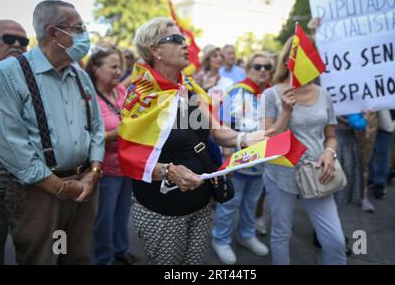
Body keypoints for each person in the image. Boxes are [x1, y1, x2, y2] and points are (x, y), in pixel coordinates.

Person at [124, 17, 269, 265]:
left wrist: (247, 139)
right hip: (162, 210)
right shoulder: (141, 95)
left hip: (201, 204)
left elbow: (215, 130)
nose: (186, 45)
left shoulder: (189, 88)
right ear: (155, 50)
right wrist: (169, 171)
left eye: (185, 40)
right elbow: (130, 157)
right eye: (177, 39)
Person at [0, 0, 105, 264]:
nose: (84, 34)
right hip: (37, 192)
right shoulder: (10, 73)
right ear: (53, 33)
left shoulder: (79, 74)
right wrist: (60, 187)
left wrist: (93, 172)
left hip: (85, 185)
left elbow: (96, 127)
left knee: (77, 256)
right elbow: (11, 144)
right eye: (78, 27)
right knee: (37, 257)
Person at [260, 37, 346, 265]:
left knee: (335, 240)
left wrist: (329, 153)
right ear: (288, 61)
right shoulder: (272, 94)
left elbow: (331, 136)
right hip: (281, 174)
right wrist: (286, 111)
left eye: (308, 55)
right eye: (297, 56)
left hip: (317, 174)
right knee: (281, 233)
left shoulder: (323, 94)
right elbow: (267, 138)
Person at [211, 52, 272, 265]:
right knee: (230, 203)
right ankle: (221, 239)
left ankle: (246, 235)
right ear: (248, 69)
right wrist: (227, 157)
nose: (262, 70)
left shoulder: (269, 94)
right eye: (257, 66)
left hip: (260, 162)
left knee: (251, 202)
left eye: (267, 66)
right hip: (238, 161)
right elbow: (223, 123)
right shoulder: (237, 92)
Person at [85, 46, 136, 265]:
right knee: (103, 218)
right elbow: (88, 138)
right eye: (113, 67)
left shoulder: (121, 91)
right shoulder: (88, 99)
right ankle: (104, 259)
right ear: (96, 70)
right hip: (105, 169)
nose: (118, 72)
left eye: (120, 67)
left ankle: (121, 249)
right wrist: (117, 133)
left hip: (127, 165)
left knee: (122, 213)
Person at [0, 19, 28, 265]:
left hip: (27, 165)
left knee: (28, 233)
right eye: (9, 39)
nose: (17, 45)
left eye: (23, 41)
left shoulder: (29, 73)